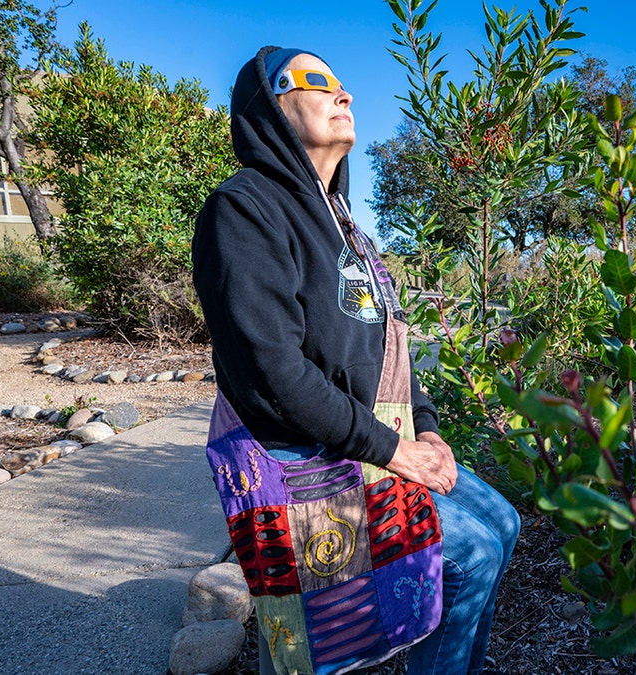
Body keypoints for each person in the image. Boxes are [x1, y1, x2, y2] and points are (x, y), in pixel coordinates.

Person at [192, 46, 520, 675]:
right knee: (471, 551)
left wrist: (427, 431)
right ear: (270, 109)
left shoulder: (348, 226)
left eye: (342, 82)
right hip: (302, 455)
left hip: (368, 441)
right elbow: (271, 372)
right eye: (316, 81)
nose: (343, 94)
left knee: (501, 523)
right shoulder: (244, 208)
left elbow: (389, 344)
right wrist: (398, 454)